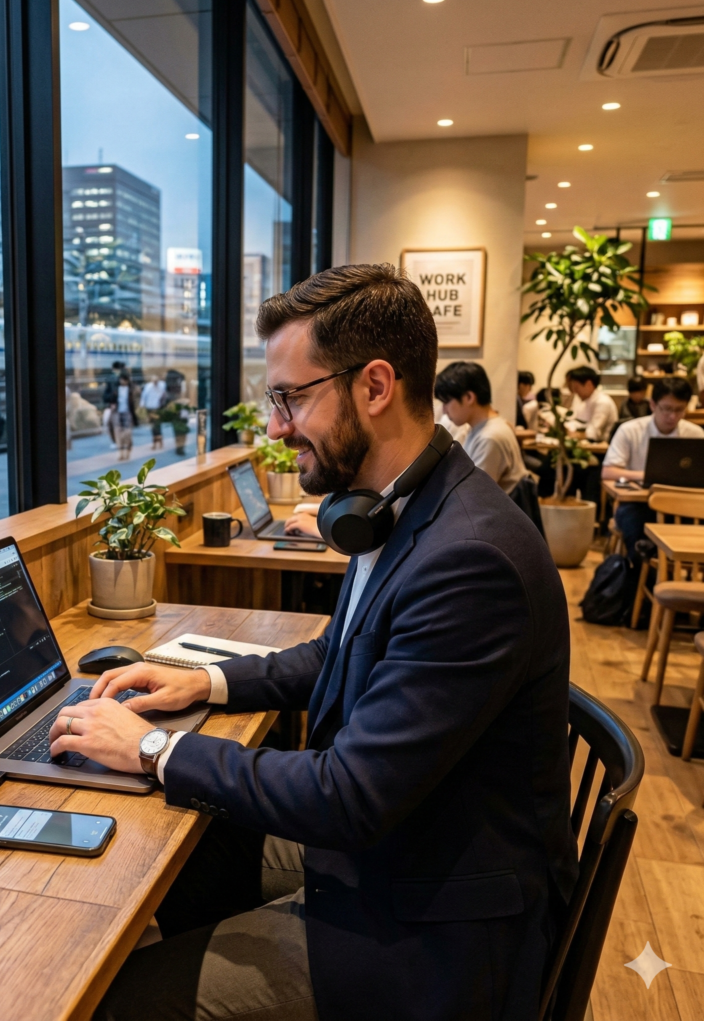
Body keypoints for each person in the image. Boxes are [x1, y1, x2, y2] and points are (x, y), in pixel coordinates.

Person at [49, 264, 577, 1021]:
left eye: (291, 398)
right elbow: (340, 653)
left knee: (111, 1001)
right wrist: (207, 684)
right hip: (403, 845)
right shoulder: (401, 506)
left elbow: (349, 796)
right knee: (199, 853)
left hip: (436, 926)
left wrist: (151, 750)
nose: (273, 427)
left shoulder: (470, 560)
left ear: (374, 386)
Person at [602, 376, 704, 554]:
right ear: (653, 405)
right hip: (641, 504)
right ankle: (645, 575)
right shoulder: (630, 430)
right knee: (634, 526)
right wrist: (646, 475)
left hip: (685, 505)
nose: (672, 416)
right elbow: (608, 471)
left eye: (679, 410)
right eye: (667, 409)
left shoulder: (695, 434)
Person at [435, 361, 527, 494]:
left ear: (469, 397)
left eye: (446, 402)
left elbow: (473, 494)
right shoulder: (480, 428)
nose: (444, 411)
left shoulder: (489, 437)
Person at [565, 366, 617, 441]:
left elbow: (593, 433)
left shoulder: (602, 402)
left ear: (588, 384)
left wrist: (573, 434)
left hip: (600, 449)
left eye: (576, 387)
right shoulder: (583, 400)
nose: (575, 391)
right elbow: (574, 422)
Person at [114, 369, 139, 461]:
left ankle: (127, 452)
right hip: (118, 412)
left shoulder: (132, 389)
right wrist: (112, 404)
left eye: (124, 379)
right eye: (121, 379)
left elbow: (136, 401)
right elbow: (108, 397)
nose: (122, 381)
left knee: (127, 434)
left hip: (128, 413)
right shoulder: (116, 388)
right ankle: (121, 454)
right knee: (119, 435)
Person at [101, 361, 125, 448]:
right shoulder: (117, 378)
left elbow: (107, 393)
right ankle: (119, 441)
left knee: (111, 423)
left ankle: (117, 441)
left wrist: (111, 402)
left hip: (114, 405)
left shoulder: (112, 378)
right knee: (116, 424)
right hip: (116, 405)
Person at [141, 374, 168, 450]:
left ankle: (160, 442)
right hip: (150, 408)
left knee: (157, 425)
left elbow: (163, 394)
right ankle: (155, 443)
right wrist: (142, 405)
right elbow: (144, 396)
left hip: (158, 408)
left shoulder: (162, 385)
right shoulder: (148, 386)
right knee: (153, 426)